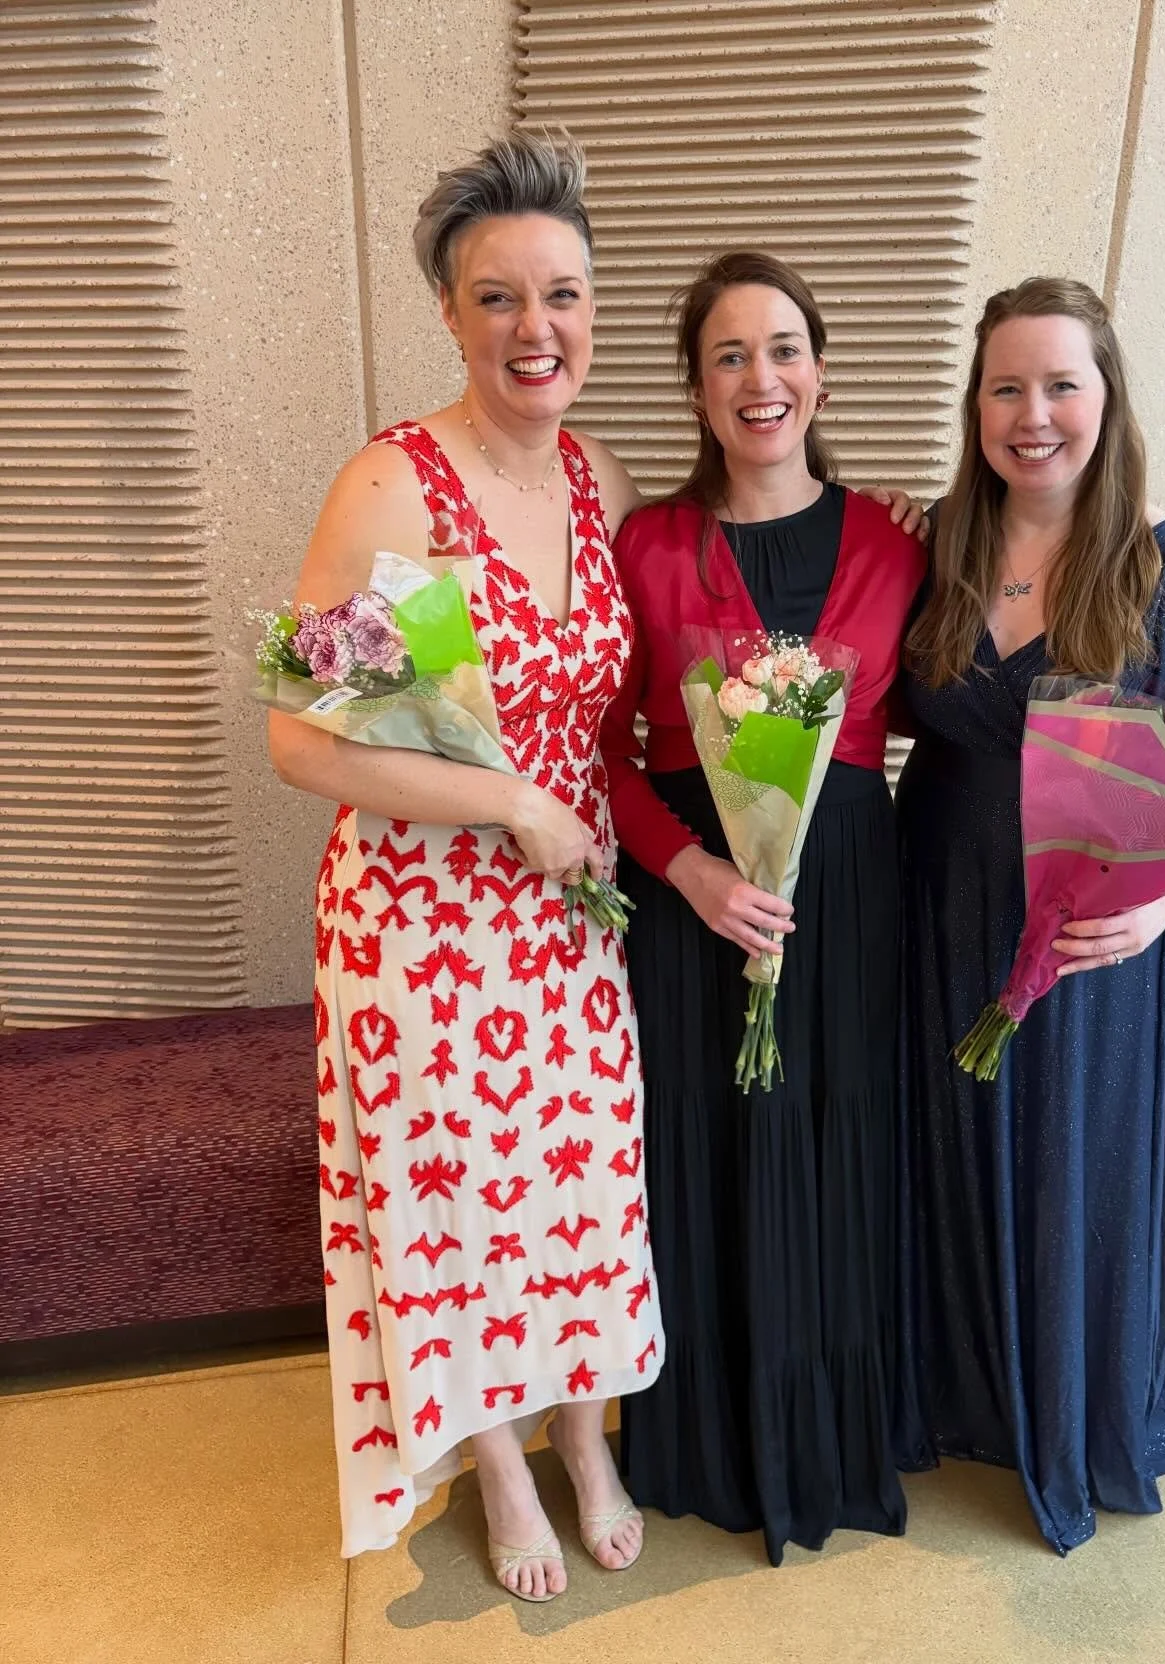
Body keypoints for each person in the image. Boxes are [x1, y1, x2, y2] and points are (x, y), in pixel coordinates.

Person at [268, 132, 663, 1602]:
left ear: (593, 307)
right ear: (450, 311)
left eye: (561, 294)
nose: (534, 329)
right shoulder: (397, 486)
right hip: (421, 927)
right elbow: (304, 741)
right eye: (498, 298)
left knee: (575, 1191)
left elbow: (621, 705)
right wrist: (505, 798)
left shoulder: (599, 480)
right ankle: (500, 1461)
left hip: (572, 915)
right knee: (459, 1206)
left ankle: (585, 1434)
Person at [895, 276, 1165, 1553]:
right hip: (941, 910)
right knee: (952, 1153)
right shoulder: (942, 541)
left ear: (1107, 399)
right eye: (1006, 385)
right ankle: (968, 1388)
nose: (1033, 412)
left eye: (1061, 383)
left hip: (1089, 937)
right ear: (977, 404)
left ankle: (1072, 1399)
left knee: (1073, 1163)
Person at [599, 250, 928, 1565]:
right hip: (692, 899)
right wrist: (690, 870)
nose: (761, 378)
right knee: (708, 1150)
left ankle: (835, 1434)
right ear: (693, 387)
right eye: (729, 355)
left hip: (846, 894)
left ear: (822, 370)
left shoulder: (901, 540)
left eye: (784, 348)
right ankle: (711, 1437)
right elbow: (602, 751)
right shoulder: (649, 546)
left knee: (841, 1148)